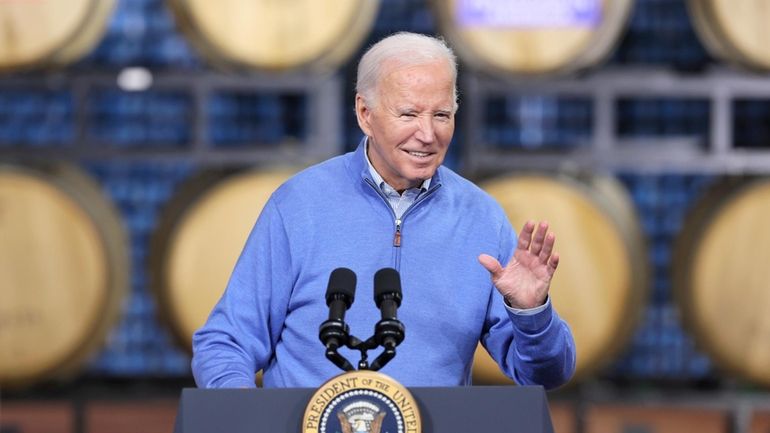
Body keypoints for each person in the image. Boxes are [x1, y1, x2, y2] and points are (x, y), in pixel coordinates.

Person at [192, 32, 576, 389]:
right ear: (365, 114)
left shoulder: (481, 217)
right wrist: (244, 417)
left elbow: (544, 374)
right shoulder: (299, 205)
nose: (427, 134)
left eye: (441, 115)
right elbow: (226, 341)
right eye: (408, 114)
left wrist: (532, 314)